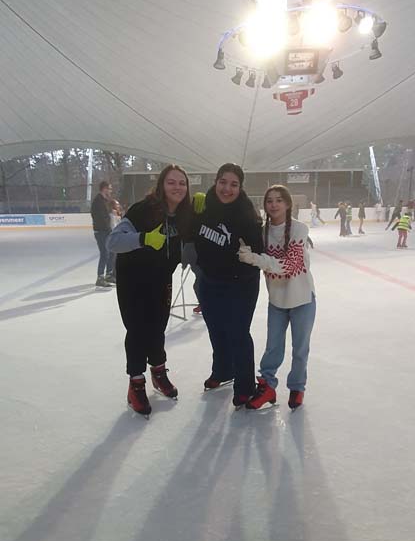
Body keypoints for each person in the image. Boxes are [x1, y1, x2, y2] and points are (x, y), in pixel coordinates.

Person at [107, 164, 192, 417]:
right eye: (171, 182)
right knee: (137, 331)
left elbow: (191, 246)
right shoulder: (142, 211)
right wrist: (143, 238)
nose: (177, 187)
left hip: (161, 280)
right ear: (161, 185)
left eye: (182, 183)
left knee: (157, 328)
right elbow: (113, 242)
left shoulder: (186, 216)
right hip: (134, 280)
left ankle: (158, 373)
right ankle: (136, 384)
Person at [238, 185, 316, 411]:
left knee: (300, 349)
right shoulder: (262, 231)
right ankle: (268, 386)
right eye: (269, 200)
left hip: (302, 299)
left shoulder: (299, 229)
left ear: (288, 204)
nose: (273, 204)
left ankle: (297, 387)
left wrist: (254, 259)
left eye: (279, 200)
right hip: (277, 300)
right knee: (273, 347)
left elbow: (290, 266)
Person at [192, 163, 264, 408]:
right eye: (223, 182)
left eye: (234, 184)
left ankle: (245, 386)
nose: (227, 188)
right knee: (216, 329)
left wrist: (249, 256)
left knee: (238, 333)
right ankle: (223, 370)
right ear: (216, 181)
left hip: (240, 285)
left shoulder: (247, 215)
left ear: (240, 187)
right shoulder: (203, 206)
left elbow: (259, 254)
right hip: (209, 281)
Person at [91, 181, 116, 287]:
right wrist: (108, 227)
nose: (110, 191)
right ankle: (100, 277)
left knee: (112, 252)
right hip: (101, 231)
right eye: (109, 189)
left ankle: (109, 274)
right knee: (104, 253)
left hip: (107, 230)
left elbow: (108, 215)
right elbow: (100, 217)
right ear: (104, 188)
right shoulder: (98, 201)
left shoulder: (105, 200)